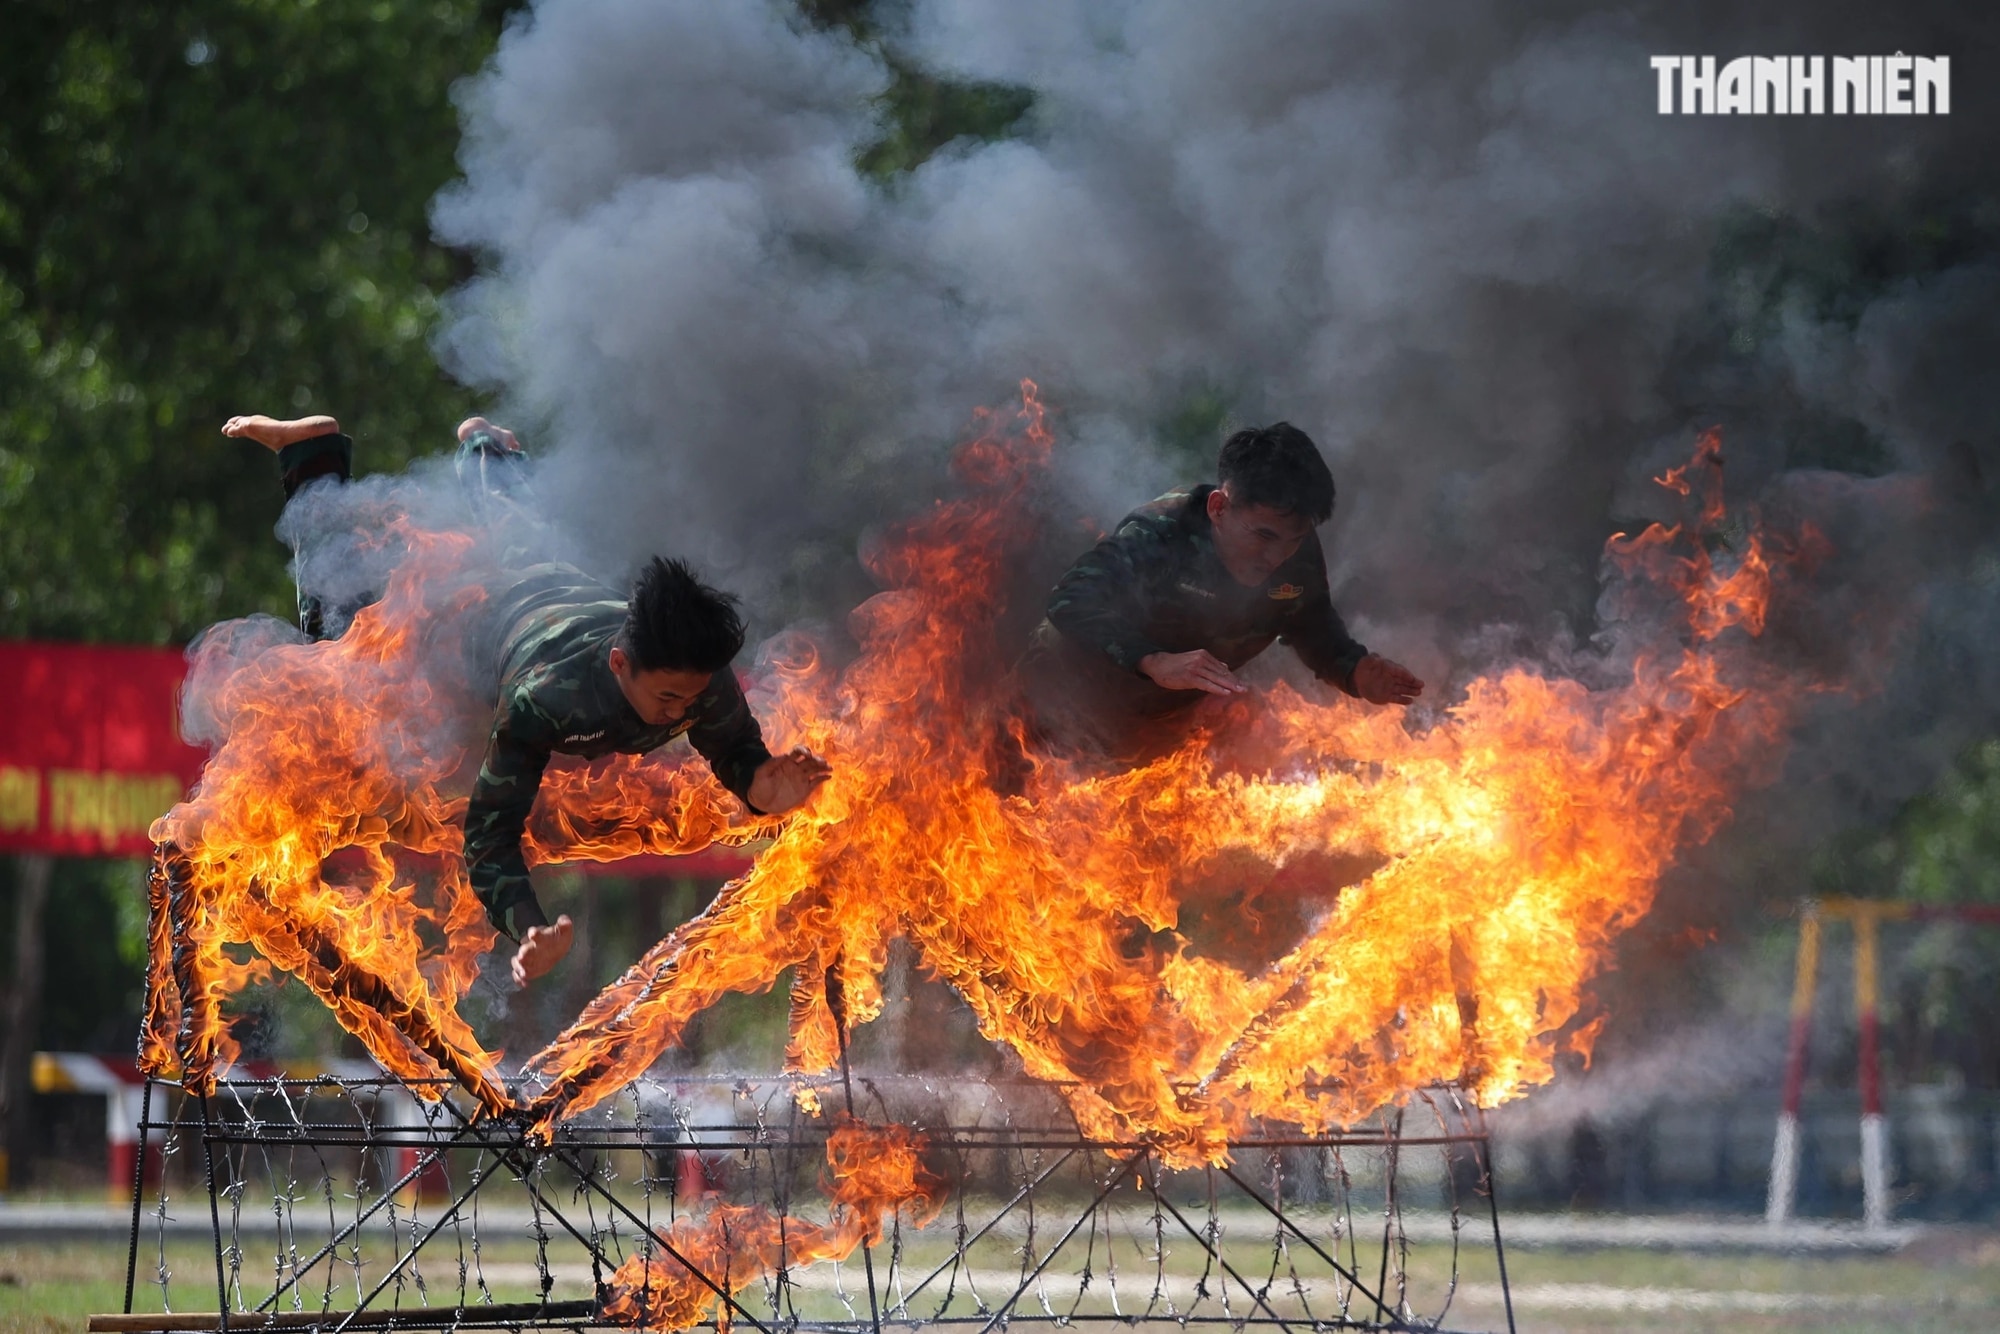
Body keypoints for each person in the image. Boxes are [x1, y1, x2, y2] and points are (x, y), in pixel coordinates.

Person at [223, 413, 830, 985]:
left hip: (550, 585)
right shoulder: (547, 700)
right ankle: (312, 455)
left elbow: (735, 749)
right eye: (668, 699)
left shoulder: (700, 677)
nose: (680, 714)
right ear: (621, 664)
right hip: (457, 634)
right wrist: (529, 925)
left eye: (690, 700)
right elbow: (489, 834)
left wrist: (762, 788)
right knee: (331, 652)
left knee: (521, 538)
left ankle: (485, 448)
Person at [1018, 420, 1425, 764]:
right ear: (1218, 508)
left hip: (1151, 731)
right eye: (1263, 536)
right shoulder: (1163, 532)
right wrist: (1153, 660)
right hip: (1051, 709)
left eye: (1293, 538)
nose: (1277, 555)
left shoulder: (1295, 549)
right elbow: (1071, 598)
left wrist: (1353, 669)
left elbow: (1310, 621)